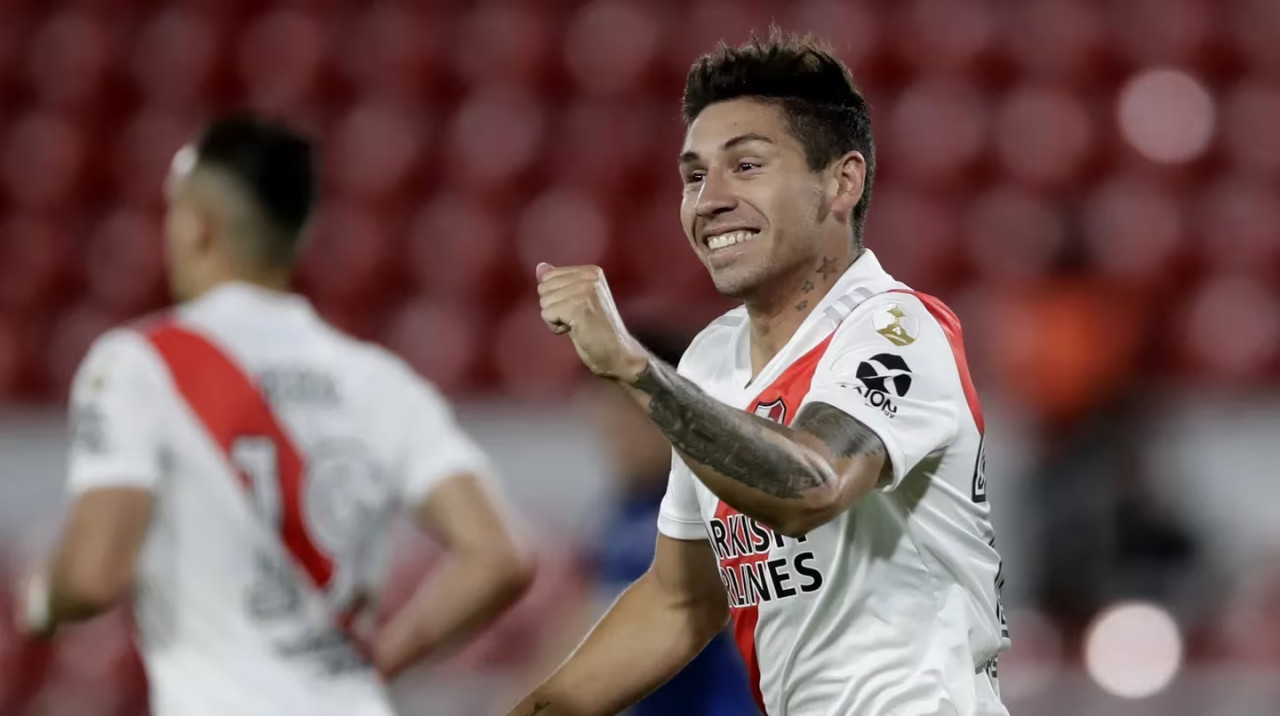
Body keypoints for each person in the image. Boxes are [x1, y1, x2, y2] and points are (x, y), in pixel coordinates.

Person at [510, 31, 1010, 716]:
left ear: (843, 181)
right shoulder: (711, 360)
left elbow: (812, 486)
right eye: (693, 175)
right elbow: (682, 598)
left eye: (745, 166)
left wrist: (633, 370)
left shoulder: (900, 329)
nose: (708, 199)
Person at [14, 115, 534, 715]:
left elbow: (93, 574)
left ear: (195, 228)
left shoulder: (137, 366)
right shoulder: (379, 380)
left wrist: (43, 599)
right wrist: (382, 658)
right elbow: (501, 554)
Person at [574, 327, 758, 716]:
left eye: (629, 410)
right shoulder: (617, 517)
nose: (615, 430)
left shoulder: (720, 507)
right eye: (607, 409)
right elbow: (579, 633)